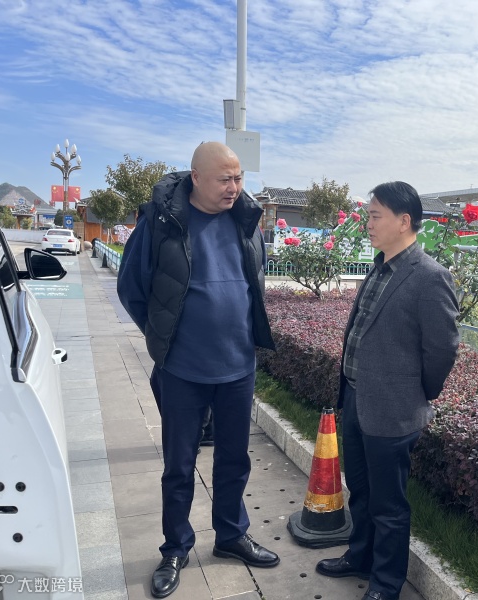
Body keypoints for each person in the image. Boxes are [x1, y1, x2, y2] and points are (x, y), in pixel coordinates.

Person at [117, 142, 277, 599]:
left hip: (238, 367)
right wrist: (164, 337)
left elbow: (254, 280)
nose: (234, 187)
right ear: (197, 178)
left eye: (239, 178)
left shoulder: (245, 219)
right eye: (225, 179)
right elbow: (131, 288)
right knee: (179, 466)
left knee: (235, 459)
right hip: (182, 370)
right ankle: (175, 548)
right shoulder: (162, 221)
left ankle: (231, 535)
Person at [316, 181, 460, 600]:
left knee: (389, 505)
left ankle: (385, 584)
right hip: (357, 398)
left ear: (404, 221)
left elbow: (443, 348)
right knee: (360, 491)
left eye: (375, 216)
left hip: (394, 410)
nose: (368, 223)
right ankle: (360, 556)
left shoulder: (429, 277)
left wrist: (418, 394)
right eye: (368, 215)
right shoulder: (380, 267)